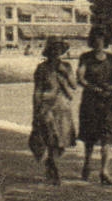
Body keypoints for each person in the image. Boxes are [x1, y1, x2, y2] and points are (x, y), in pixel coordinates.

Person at [75, 28, 112, 184]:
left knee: (107, 136)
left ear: (105, 42)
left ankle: (104, 170)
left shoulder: (110, 58)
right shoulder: (85, 58)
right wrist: (92, 88)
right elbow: (80, 77)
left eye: (102, 40)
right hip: (91, 101)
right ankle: (87, 164)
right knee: (90, 137)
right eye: (97, 39)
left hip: (108, 101)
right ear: (93, 41)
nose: (99, 43)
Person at [28, 39, 76, 184]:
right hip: (47, 106)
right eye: (53, 49)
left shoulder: (66, 66)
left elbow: (73, 85)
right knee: (50, 138)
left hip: (62, 108)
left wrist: (64, 74)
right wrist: (36, 110)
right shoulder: (42, 68)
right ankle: (52, 167)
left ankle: (50, 162)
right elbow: (37, 90)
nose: (56, 53)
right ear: (49, 52)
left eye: (59, 50)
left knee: (61, 142)